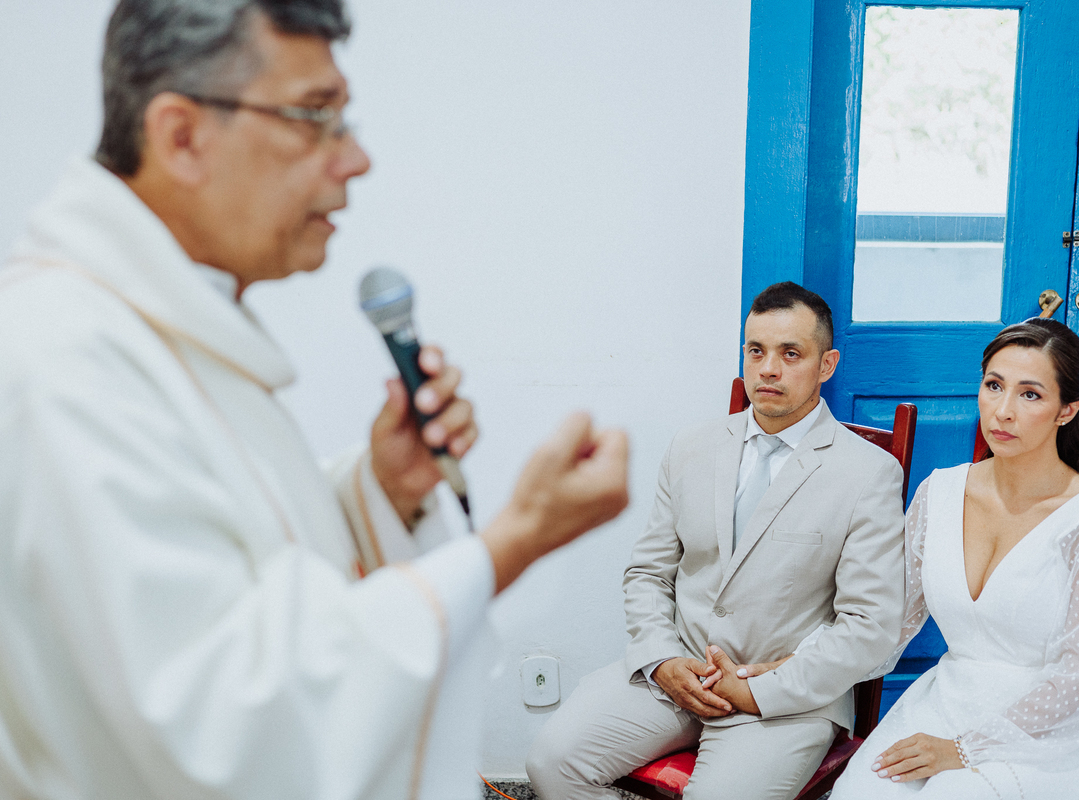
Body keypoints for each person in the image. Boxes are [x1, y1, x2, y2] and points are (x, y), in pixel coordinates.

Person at [0, 2, 629, 799]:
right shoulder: (64, 357)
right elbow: (221, 730)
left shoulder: (161, 319)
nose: (356, 160)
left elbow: (229, 549)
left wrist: (381, 490)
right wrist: (509, 545)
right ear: (182, 135)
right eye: (316, 117)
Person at [525, 282, 907, 800]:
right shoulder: (691, 447)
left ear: (827, 364)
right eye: (756, 351)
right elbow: (648, 573)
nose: (768, 369)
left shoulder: (868, 473)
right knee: (551, 762)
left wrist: (756, 689)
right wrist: (662, 661)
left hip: (784, 699)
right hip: (676, 674)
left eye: (790, 354)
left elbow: (870, 626)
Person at [829, 318, 1079, 800]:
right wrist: (788, 674)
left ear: (1067, 410)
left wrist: (962, 750)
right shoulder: (939, 493)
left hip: (1056, 734)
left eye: (1030, 395)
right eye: (994, 386)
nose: (1002, 412)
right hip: (948, 702)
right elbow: (890, 625)